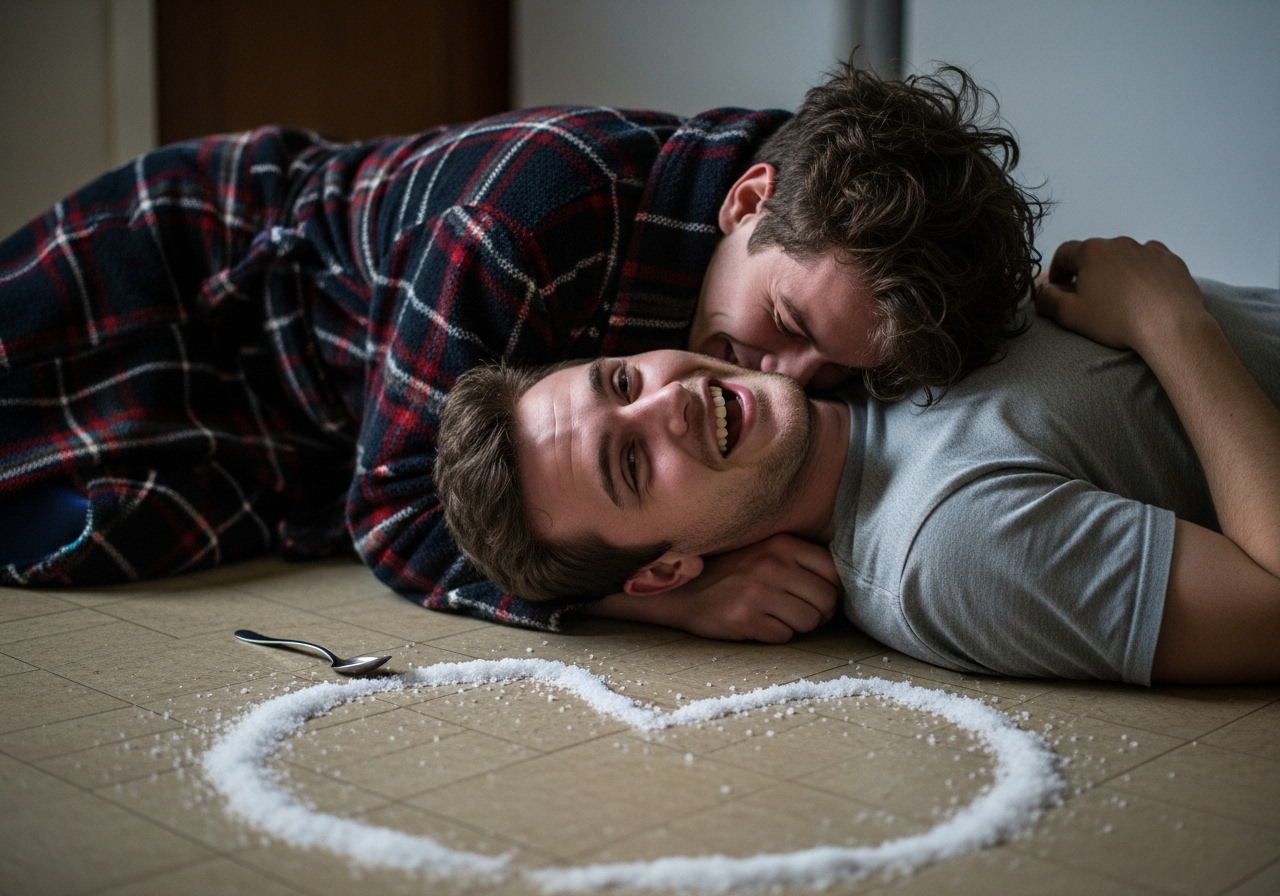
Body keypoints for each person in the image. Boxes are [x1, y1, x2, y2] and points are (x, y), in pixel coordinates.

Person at [0, 62, 1041, 635]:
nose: (786, 383)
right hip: (195, 264)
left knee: (86, 540)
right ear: (746, 200)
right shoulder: (530, 214)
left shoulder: (828, 255)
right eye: (790, 329)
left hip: (311, 438)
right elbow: (397, 508)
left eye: (839, 374)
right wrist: (661, 601)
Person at [436, 237, 1280, 683]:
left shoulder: (855, 334)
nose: (669, 402)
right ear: (663, 573)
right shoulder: (947, 547)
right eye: (631, 464)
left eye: (623, 381)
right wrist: (1171, 324)